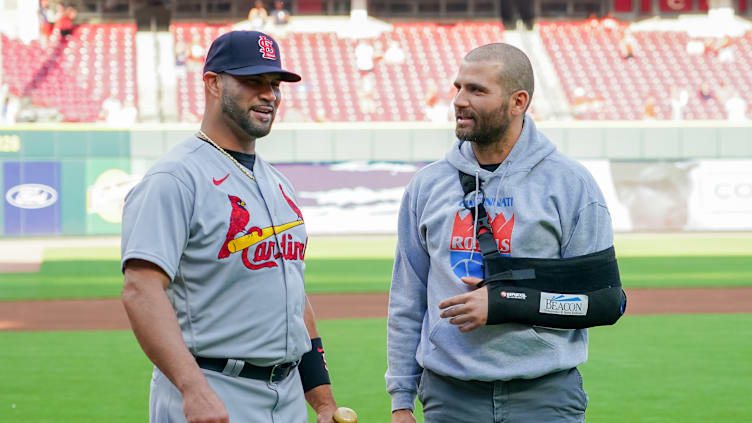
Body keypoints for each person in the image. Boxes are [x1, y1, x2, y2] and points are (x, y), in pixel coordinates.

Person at [387, 43, 621, 423]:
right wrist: (400, 400)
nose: (459, 101)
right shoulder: (427, 186)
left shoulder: (570, 184)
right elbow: (407, 300)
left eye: (477, 90)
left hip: (545, 396)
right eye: (458, 87)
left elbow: (604, 302)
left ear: (518, 102)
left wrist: (506, 302)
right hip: (450, 399)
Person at [121, 30, 339, 423]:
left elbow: (292, 294)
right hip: (213, 389)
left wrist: (322, 400)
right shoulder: (175, 178)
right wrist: (193, 389)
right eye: (253, 81)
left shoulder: (278, 183)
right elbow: (141, 289)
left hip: (286, 395)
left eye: (274, 84)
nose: (269, 94)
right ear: (213, 83)